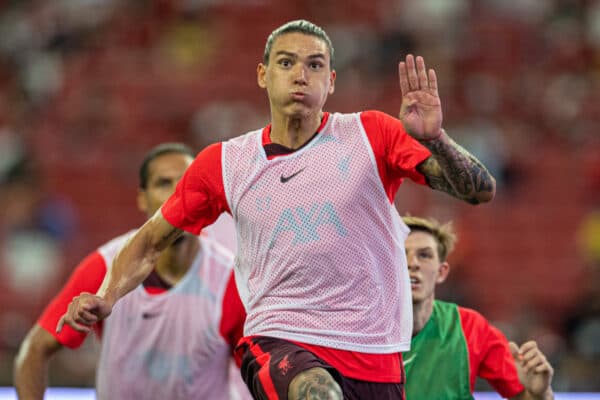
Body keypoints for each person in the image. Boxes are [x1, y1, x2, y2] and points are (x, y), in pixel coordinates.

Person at [58, 20, 497, 400]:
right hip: (279, 336)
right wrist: (107, 295)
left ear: (332, 80)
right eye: (286, 63)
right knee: (319, 394)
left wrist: (436, 139)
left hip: (376, 350)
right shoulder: (225, 163)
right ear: (263, 75)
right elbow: (150, 242)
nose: (300, 75)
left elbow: (478, 191)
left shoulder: (371, 134)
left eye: (315, 65)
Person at [14, 143, 250, 400]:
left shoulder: (231, 279)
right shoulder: (104, 267)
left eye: (186, 183)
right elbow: (33, 351)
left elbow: (260, 371)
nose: (177, 194)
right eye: (163, 183)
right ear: (141, 197)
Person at [402, 215, 554, 399]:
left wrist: (541, 393)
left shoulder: (470, 328)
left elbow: (524, 396)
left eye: (424, 255)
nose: (412, 263)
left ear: (442, 272)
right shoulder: (360, 332)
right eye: (402, 253)